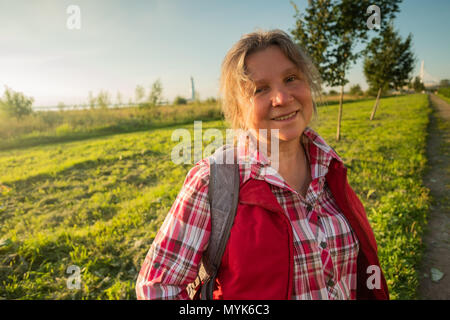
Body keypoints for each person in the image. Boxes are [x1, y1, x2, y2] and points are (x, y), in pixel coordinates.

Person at [135, 29, 389, 300]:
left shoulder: (328, 166)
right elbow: (156, 290)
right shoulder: (212, 181)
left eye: (291, 78)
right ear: (239, 109)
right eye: (260, 89)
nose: (281, 98)